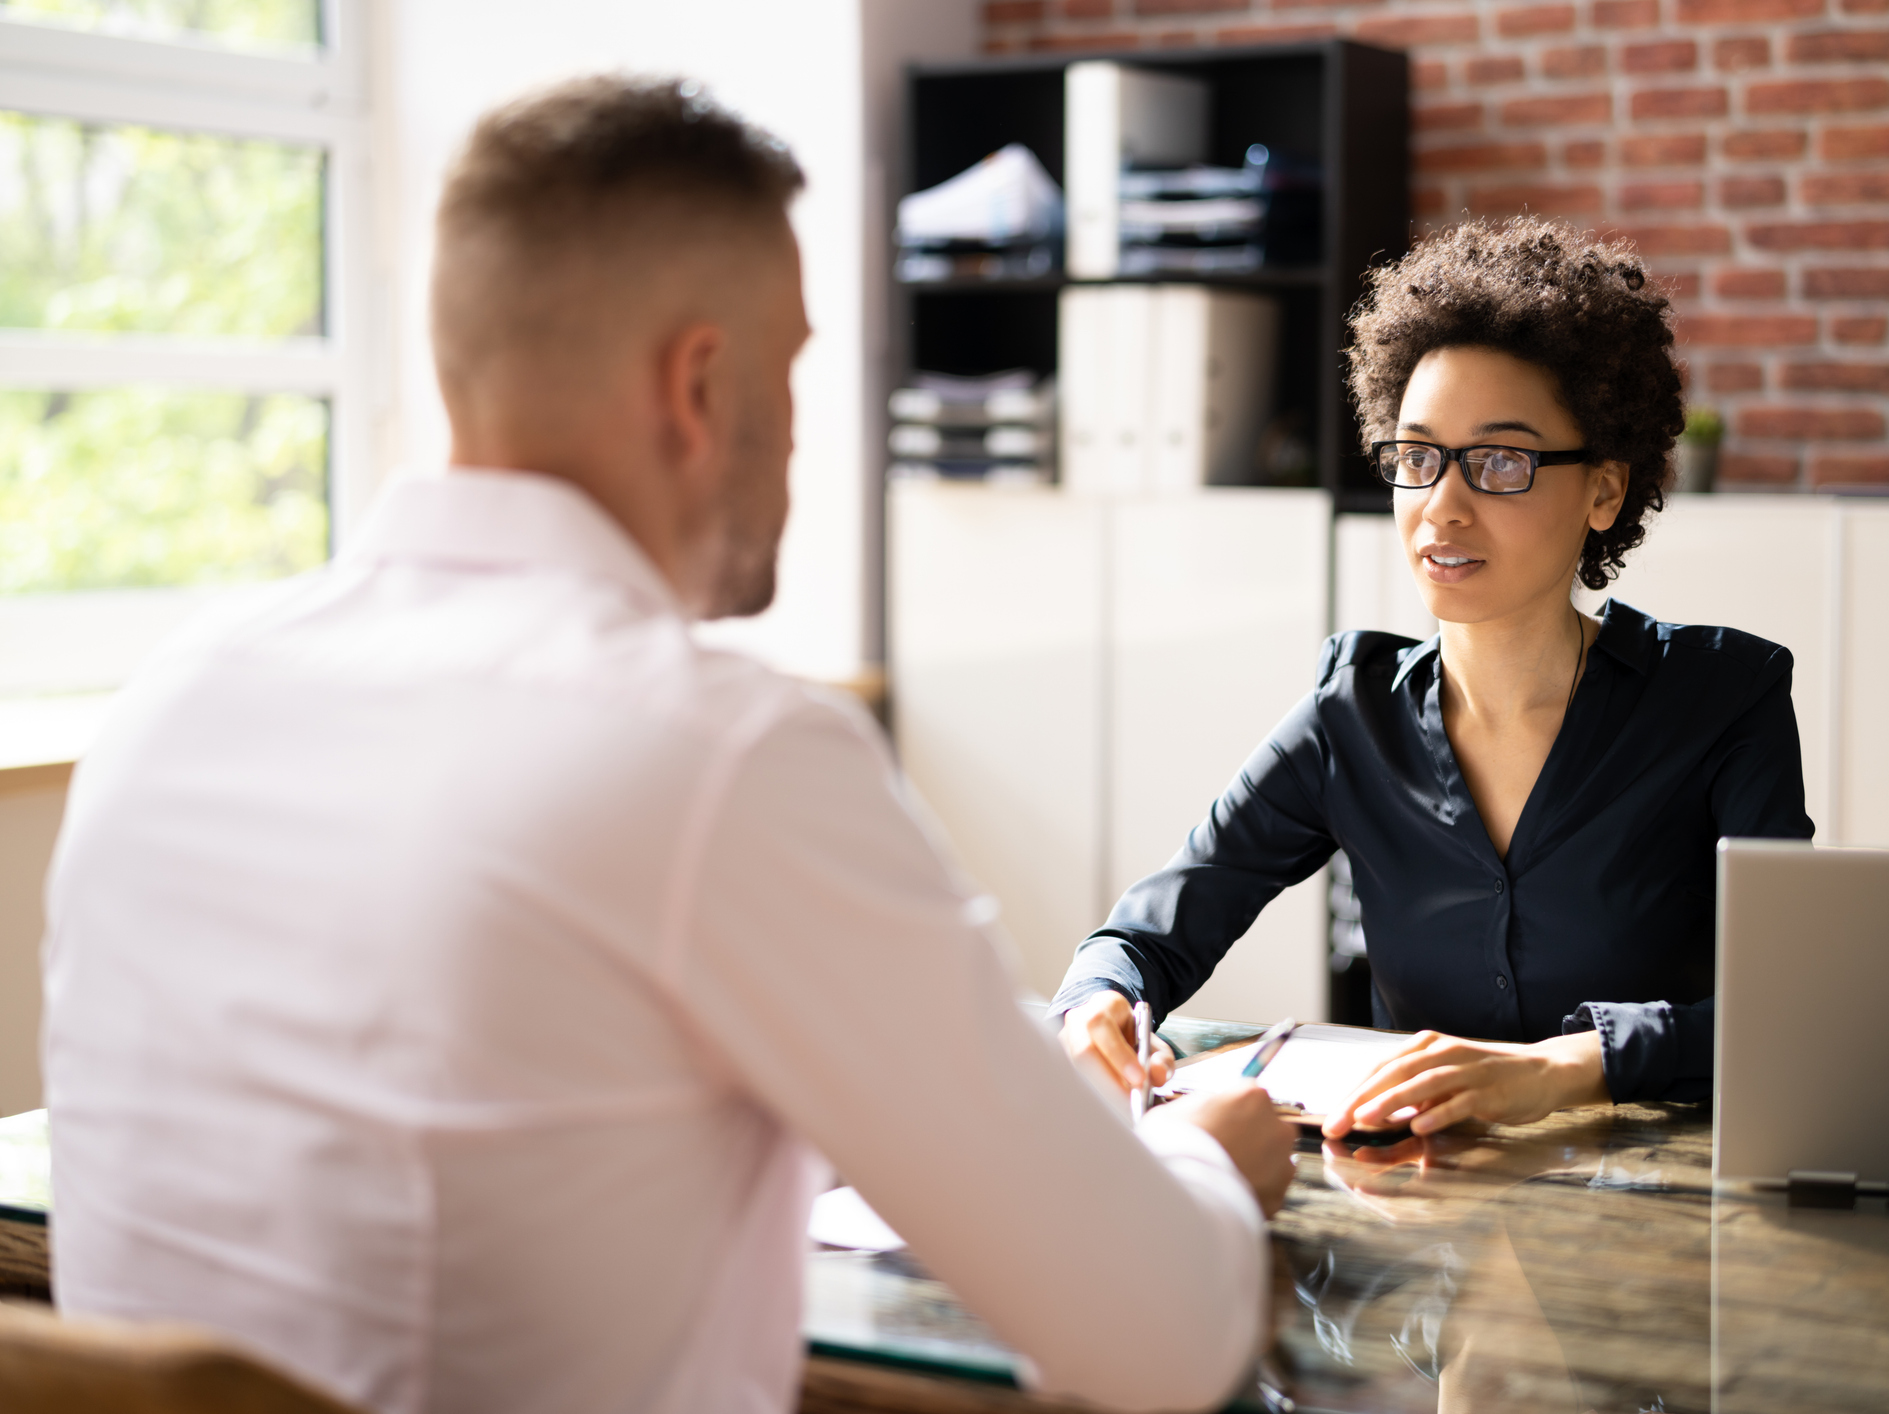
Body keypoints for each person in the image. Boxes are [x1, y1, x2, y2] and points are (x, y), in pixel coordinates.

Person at [41, 76, 1293, 1414]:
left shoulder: (174, 699)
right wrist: (1206, 1154)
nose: (808, 426)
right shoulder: (722, 754)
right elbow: (1163, 1343)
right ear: (699, 383)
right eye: (797, 364)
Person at [1056, 218, 1812, 1136]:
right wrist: (1096, 1002)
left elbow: (1789, 1013)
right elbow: (1147, 933)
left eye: (1500, 461)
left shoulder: (1722, 701)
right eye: (1416, 458)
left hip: (1667, 1211)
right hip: (1414, 1201)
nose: (1440, 507)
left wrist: (1560, 1070)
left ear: (1604, 490)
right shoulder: (1351, 716)